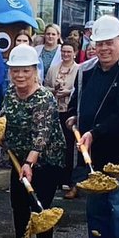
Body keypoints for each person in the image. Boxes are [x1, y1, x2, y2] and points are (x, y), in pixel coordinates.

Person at [63, 15, 119, 238]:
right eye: (99, 43)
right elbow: (76, 102)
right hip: (95, 158)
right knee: (96, 211)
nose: (103, 49)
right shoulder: (86, 71)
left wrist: (95, 132)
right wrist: (73, 117)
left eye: (109, 42)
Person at [0, 44, 68, 238]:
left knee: (40, 209)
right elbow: (2, 118)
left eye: (25, 70)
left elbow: (42, 135)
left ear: (35, 70)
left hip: (45, 161)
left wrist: (30, 162)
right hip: (18, 159)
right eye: (15, 70)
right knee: (18, 204)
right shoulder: (10, 93)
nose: (20, 75)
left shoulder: (43, 97)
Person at [51, 41, 79, 179]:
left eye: (69, 52)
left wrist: (68, 92)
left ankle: (67, 176)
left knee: (68, 144)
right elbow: (46, 86)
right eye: (63, 51)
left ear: (75, 53)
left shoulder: (79, 69)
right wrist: (55, 90)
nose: (66, 54)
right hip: (55, 110)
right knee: (56, 143)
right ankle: (55, 175)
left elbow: (79, 90)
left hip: (69, 111)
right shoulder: (53, 68)